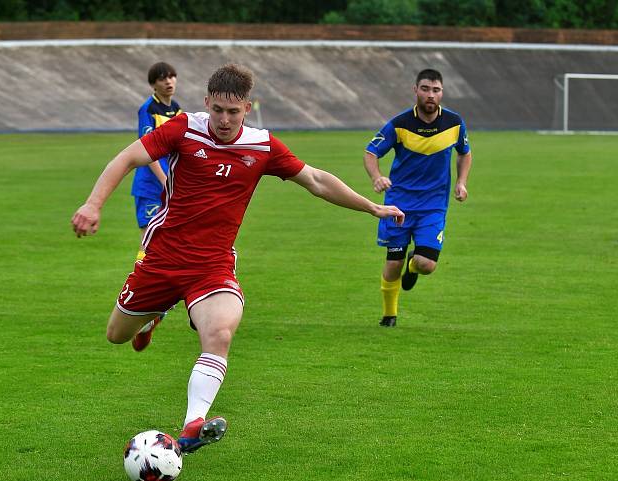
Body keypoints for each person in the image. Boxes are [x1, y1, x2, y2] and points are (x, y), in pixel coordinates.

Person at [71, 64, 404, 454]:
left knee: (220, 334)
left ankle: (192, 424)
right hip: (163, 257)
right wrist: (93, 205)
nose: (225, 120)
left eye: (234, 112)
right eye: (218, 111)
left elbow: (315, 180)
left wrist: (371, 208)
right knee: (117, 335)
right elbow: (127, 158)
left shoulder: (262, 146)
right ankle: (155, 313)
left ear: (247, 108)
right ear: (207, 103)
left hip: (212, 265)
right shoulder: (183, 128)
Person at [363, 69, 472, 327]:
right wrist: (377, 177)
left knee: (426, 265)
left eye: (436, 90)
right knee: (392, 263)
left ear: (442, 93)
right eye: (425, 89)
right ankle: (389, 315)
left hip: (433, 206)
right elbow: (370, 153)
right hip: (398, 205)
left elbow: (464, 152)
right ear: (416, 90)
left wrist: (461, 182)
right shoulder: (399, 124)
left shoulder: (454, 123)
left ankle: (413, 265)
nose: (430, 95)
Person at [133, 62, 182, 261]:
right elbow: (147, 150)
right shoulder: (148, 109)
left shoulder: (177, 108)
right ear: (154, 84)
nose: (168, 81)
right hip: (151, 185)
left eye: (171, 76)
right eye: (162, 78)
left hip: (170, 183)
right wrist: (164, 180)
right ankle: (138, 279)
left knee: (171, 236)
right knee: (148, 237)